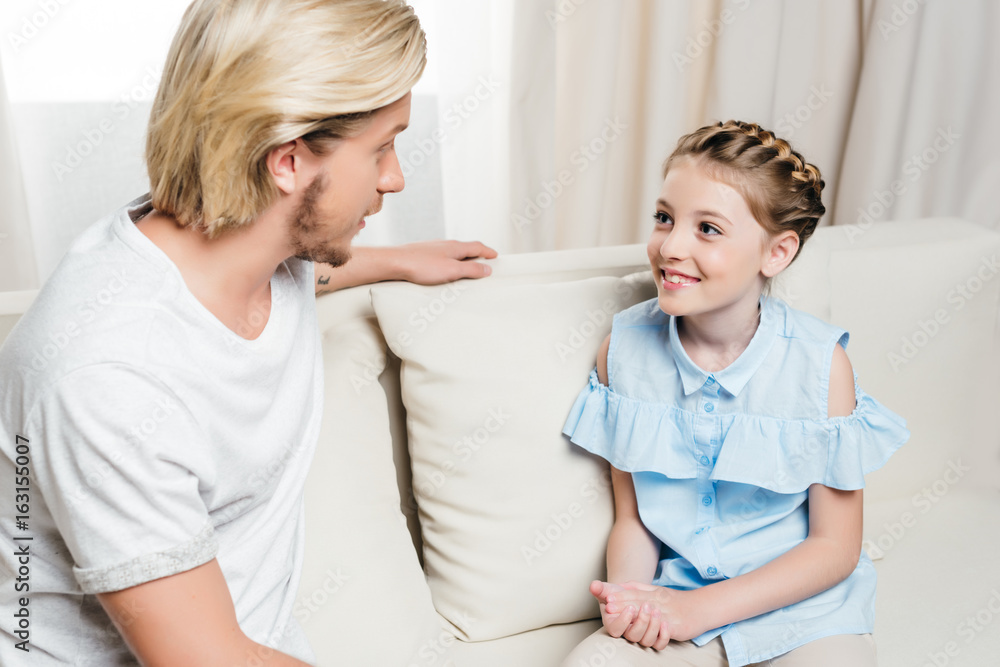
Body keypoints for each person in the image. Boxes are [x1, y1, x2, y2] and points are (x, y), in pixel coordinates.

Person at [0, 1, 495, 665]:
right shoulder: (111, 379)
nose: (395, 178)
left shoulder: (253, 247)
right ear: (286, 162)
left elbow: (296, 276)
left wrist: (399, 260)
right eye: (381, 147)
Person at [560, 120, 909, 667]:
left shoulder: (822, 367)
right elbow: (634, 519)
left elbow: (835, 547)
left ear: (777, 253)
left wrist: (699, 610)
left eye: (708, 229)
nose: (671, 246)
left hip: (802, 613)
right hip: (675, 603)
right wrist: (631, 601)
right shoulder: (622, 352)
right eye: (664, 218)